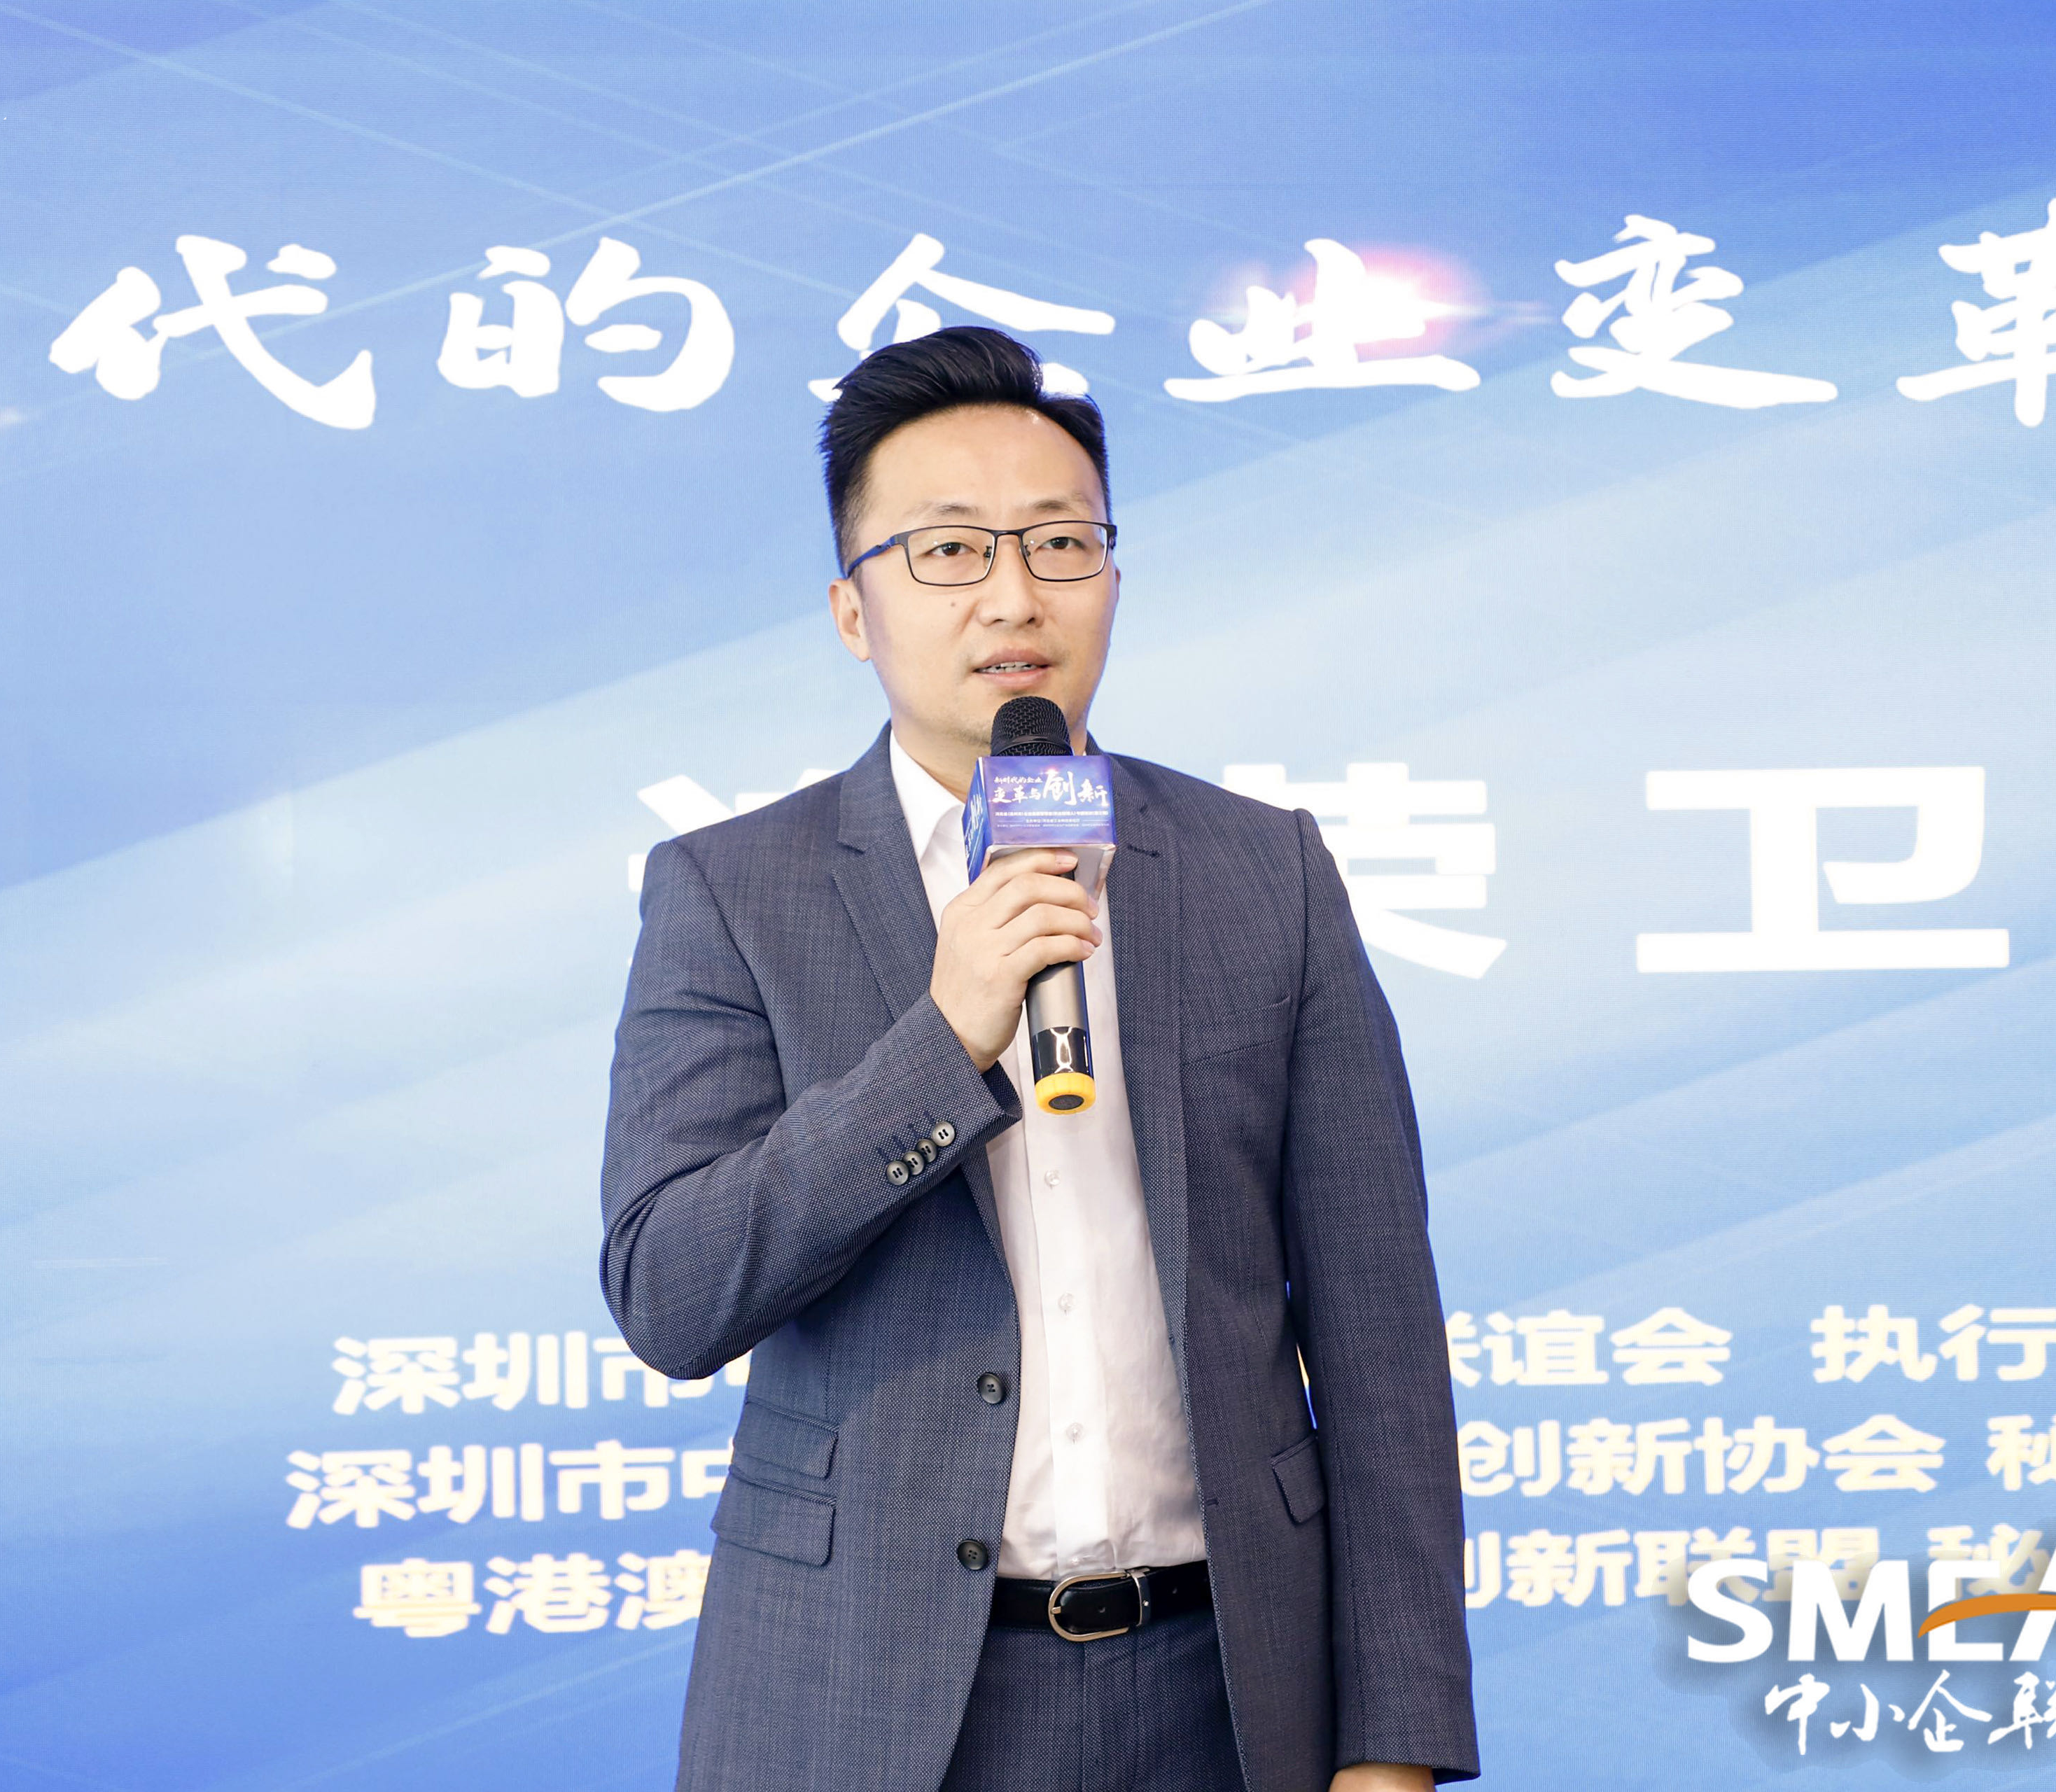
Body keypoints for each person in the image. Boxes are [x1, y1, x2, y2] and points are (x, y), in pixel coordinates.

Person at [601, 326, 1478, 1792]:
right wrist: (941, 1042)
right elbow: (671, 1292)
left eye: (1060, 542)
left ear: (1113, 578)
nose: (1014, 595)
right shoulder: (732, 891)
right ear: (852, 607)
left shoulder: (1265, 873)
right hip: (860, 1696)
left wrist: (1394, 1743)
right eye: (950, 550)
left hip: (1224, 1688)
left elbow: (1380, 1334)